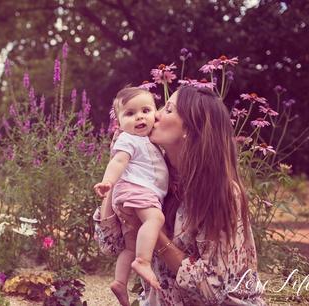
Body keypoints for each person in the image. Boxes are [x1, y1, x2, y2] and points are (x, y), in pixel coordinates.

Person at [94, 85, 266, 305]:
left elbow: (212, 289)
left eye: (167, 109)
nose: (154, 114)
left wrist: (155, 235)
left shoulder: (220, 193)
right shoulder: (152, 177)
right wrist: (119, 172)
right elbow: (109, 244)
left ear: (190, 129)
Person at [93, 87, 169, 306]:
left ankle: (120, 282)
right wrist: (108, 181)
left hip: (133, 195)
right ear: (118, 122)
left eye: (146, 110)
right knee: (155, 219)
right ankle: (143, 262)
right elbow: (118, 161)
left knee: (130, 245)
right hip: (136, 190)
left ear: (156, 113)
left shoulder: (151, 141)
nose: (139, 117)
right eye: (129, 113)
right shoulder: (128, 139)